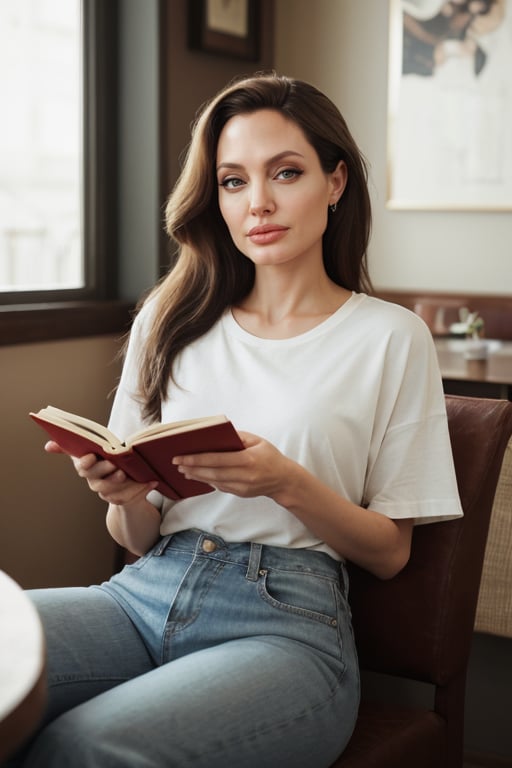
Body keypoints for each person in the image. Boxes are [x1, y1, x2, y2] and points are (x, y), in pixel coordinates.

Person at [11, 73, 463, 768]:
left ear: (335, 182)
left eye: (285, 173)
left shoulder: (390, 337)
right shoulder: (170, 319)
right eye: (231, 181)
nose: (258, 203)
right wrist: (124, 495)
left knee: (88, 746)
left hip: (285, 625)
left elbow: (389, 551)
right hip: (142, 591)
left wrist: (285, 482)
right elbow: (133, 536)